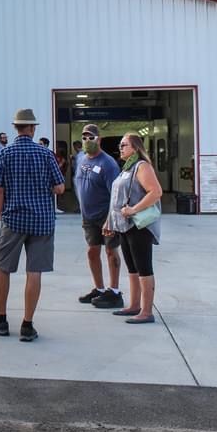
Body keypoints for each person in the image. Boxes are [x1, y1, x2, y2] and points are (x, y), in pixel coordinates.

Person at [0, 109, 65, 342]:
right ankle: (27, 325)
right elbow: (60, 188)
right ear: (32, 128)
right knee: (34, 271)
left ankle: (1, 319)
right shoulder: (46, 154)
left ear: (15, 128)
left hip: (13, 218)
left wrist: (2, 214)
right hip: (42, 220)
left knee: (2, 268)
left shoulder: (5, 153)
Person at [104, 133, 163, 324]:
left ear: (136, 148)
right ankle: (134, 305)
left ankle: (147, 311)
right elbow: (116, 200)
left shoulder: (141, 166)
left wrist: (134, 209)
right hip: (125, 226)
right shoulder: (126, 168)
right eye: (120, 145)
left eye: (124, 145)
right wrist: (109, 221)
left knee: (144, 267)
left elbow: (156, 192)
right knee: (132, 268)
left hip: (139, 225)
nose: (120, 148)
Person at [73, 124, 123, 309]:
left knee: (111, 251)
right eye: (84, 138)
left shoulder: (108, 164)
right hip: (88, 216)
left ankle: (115, 292)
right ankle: (99, 288)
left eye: (91, 137)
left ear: (99, 139)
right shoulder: (81, 159)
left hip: (106, 215)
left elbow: (116, 195)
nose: (87, 141)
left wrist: (111, 219)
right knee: (92, 251)